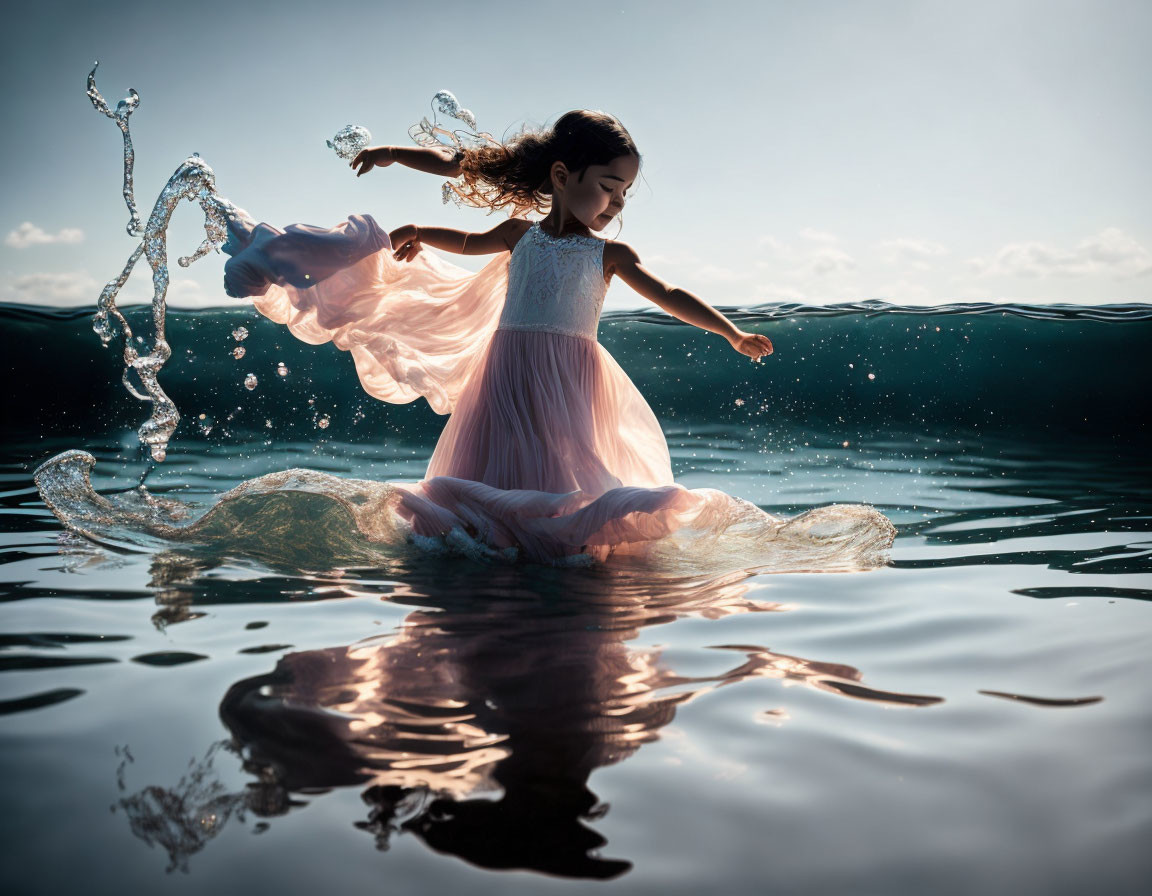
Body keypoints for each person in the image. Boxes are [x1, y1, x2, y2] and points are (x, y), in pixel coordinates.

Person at [220, 110, 892, 566]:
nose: (617, 203)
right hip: (507, 369)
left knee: (563, 461)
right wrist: (422, 224)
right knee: (498, 460)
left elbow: (669, 295)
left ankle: (557, 539)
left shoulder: (609, 256)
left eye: (625, 192)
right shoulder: (521, 235)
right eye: (609, 187)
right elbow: (470, 225)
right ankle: (500, 542)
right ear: (564, 176)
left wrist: (730, 331)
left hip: (570, 377)